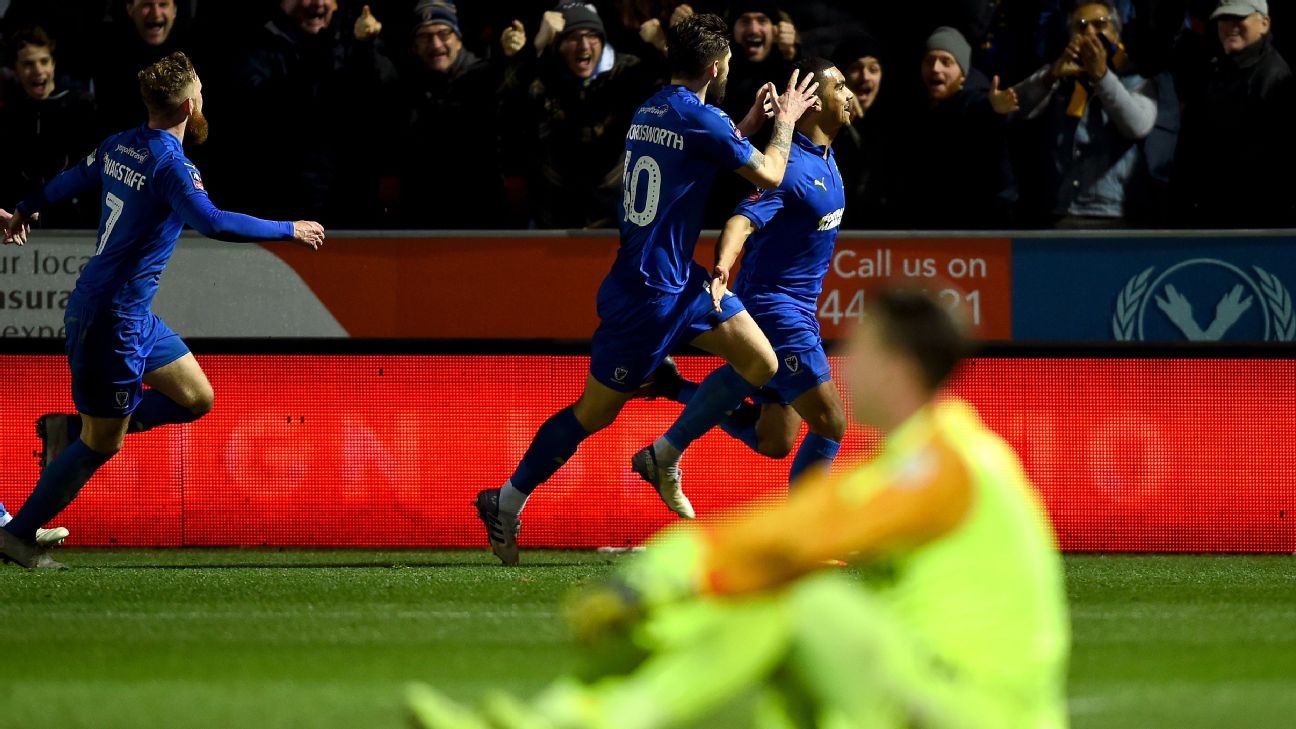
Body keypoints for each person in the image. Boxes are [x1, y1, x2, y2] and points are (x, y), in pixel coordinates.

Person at [410, 288, 1071, 729]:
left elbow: (807, 529)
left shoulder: (948, 461)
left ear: (897, 366)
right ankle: (559, 715)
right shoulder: (923, 453)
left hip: (984, 709)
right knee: (780, 610)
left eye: (861, 348)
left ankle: (569, 722)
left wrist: (660, 576)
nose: (846, 363)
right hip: (928, 689)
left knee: (791, 599)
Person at [473, 13, 820, 565]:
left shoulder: (653, 107)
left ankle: (665, 447)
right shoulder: (699, 119)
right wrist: (786, 122)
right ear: (714, 66)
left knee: (761, 362)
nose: (729, 67)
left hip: (682, 282)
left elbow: (699, 150)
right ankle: (506, 500)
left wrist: (747, 122)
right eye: (727, 62)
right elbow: (772, 176)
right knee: (593, 414)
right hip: (646, 296)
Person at [0, 52, 325, 570]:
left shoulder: (120, 144)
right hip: (112, 321)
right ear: (191, 104)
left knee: (196, 398)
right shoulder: (172, 166)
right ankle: (17, 535)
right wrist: (289, 228)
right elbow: (213, 222)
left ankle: (71, 426)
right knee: (102, 444)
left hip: (129, 315)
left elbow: (68, 181)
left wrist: (23, 207)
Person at [647, 56, 851, 487]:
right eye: (840, 87)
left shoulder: (828, 160)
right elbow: (741, 220)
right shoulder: (791, 167)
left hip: (800, 309)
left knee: (774, 440)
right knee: (831, 422)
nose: (850, 95)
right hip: (776, 310)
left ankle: (674, 387)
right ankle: (801, 538)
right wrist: (723, 264)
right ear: (813, 103)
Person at [215, 0, 398, 227]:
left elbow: (386, 94)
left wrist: (366, 48)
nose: (318, 3)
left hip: (349, 198)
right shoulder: (256, 43)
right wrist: (316, 59)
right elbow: (256, 111)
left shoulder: (355, 37)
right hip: (280, 198)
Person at [1003, 2, 1172, 228]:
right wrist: (1050, 76)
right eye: (1080, 26)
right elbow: (1015, 107)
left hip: (1114, 213)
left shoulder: (1136, 80)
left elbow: (1137, 126)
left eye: (1099, 24)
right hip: (1060, 212)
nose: (1090, 32)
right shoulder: (1059, 77)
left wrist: (1102, 77)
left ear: (1116, 32)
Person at [497, 3, 663, 228]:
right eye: (573, 37)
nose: (584, 45)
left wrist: (665, 48)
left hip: (618, 220)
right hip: (553, 221)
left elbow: (679, 95)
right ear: (558, 45)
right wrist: (535, 46)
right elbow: (503, 102)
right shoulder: (542, 78)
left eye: (592, 36)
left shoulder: (626, 73)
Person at [1173, 0, 1294, 226]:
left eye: (1240, 19)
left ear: (1264, 23)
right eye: (1224, 19)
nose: (1230, 26)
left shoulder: (1275, 78)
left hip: (1256, 222)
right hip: (1211, 216)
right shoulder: (1215, 70)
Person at [394, 0, 506, 228]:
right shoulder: (406, 86)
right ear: (414, 45)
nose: (435, 45)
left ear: (458, 38)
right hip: (421, 220)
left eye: (443, 33)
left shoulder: (484, 78)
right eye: (425, 36)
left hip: (480, 217)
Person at [896, 26, 1019, 229]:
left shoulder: (972, 103)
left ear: (963, 74)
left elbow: (982, 114)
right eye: (929, 60)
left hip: (978, 230)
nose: (936, 68)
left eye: (946, 62)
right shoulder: (914, 109)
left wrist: (995, 109)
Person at [0, 26, 99, 227]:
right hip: (20, 223)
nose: (38, 70)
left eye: (44, 61)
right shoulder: (9, 114)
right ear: (15, 69)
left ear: (53, 64)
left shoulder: (81, 106)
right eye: (28, 64)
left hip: (74, 222)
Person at [93, 0, 192, 135]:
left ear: (174, 10)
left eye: (163, 4)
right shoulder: (108, 56)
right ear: (130, 9)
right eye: (147, 5)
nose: (156, 13)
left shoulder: (194, 53)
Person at [830, 34, 897, 227]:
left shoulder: (895, 124)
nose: (865, 76)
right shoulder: (821, 122)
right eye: (855, 68)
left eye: (873, 69)